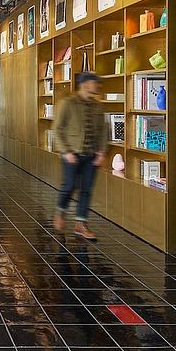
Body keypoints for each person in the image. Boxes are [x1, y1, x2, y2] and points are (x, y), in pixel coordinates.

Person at [51, 72, 107, 241]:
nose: (97, 86)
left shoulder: (98, 106)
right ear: (84, 84)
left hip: (91, 156)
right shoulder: (67, 103)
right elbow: (57, 128)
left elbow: (104, 130)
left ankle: (81, 224)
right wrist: (65, 151)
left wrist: (101, 151)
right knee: (69, 186)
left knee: (86, 190)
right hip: (71, 154)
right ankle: (61, 210)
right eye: (94, 82)